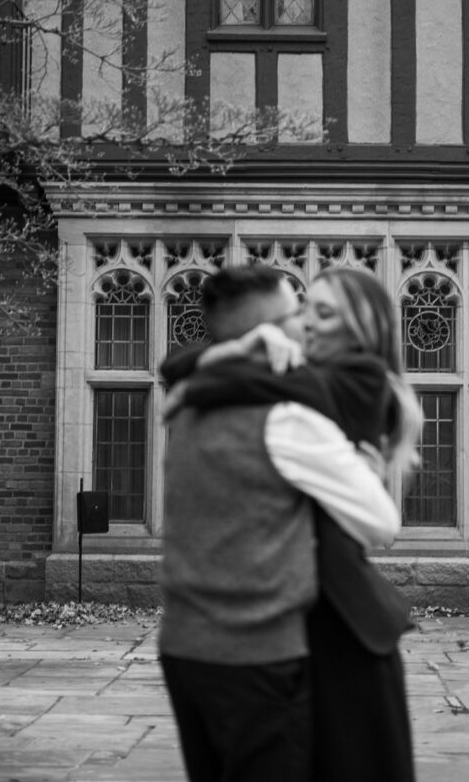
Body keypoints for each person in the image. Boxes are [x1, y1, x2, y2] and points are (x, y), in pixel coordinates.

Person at [163, 266, 422, 782]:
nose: (305, 322)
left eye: (323, 313)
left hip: (338, 611)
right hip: (291, 604)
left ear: (359, 329)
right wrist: (227, 355)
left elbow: (201, 374)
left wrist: (208, 375)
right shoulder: (292, 377)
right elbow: (179, 365)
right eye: (303, 308)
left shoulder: (356, 377)